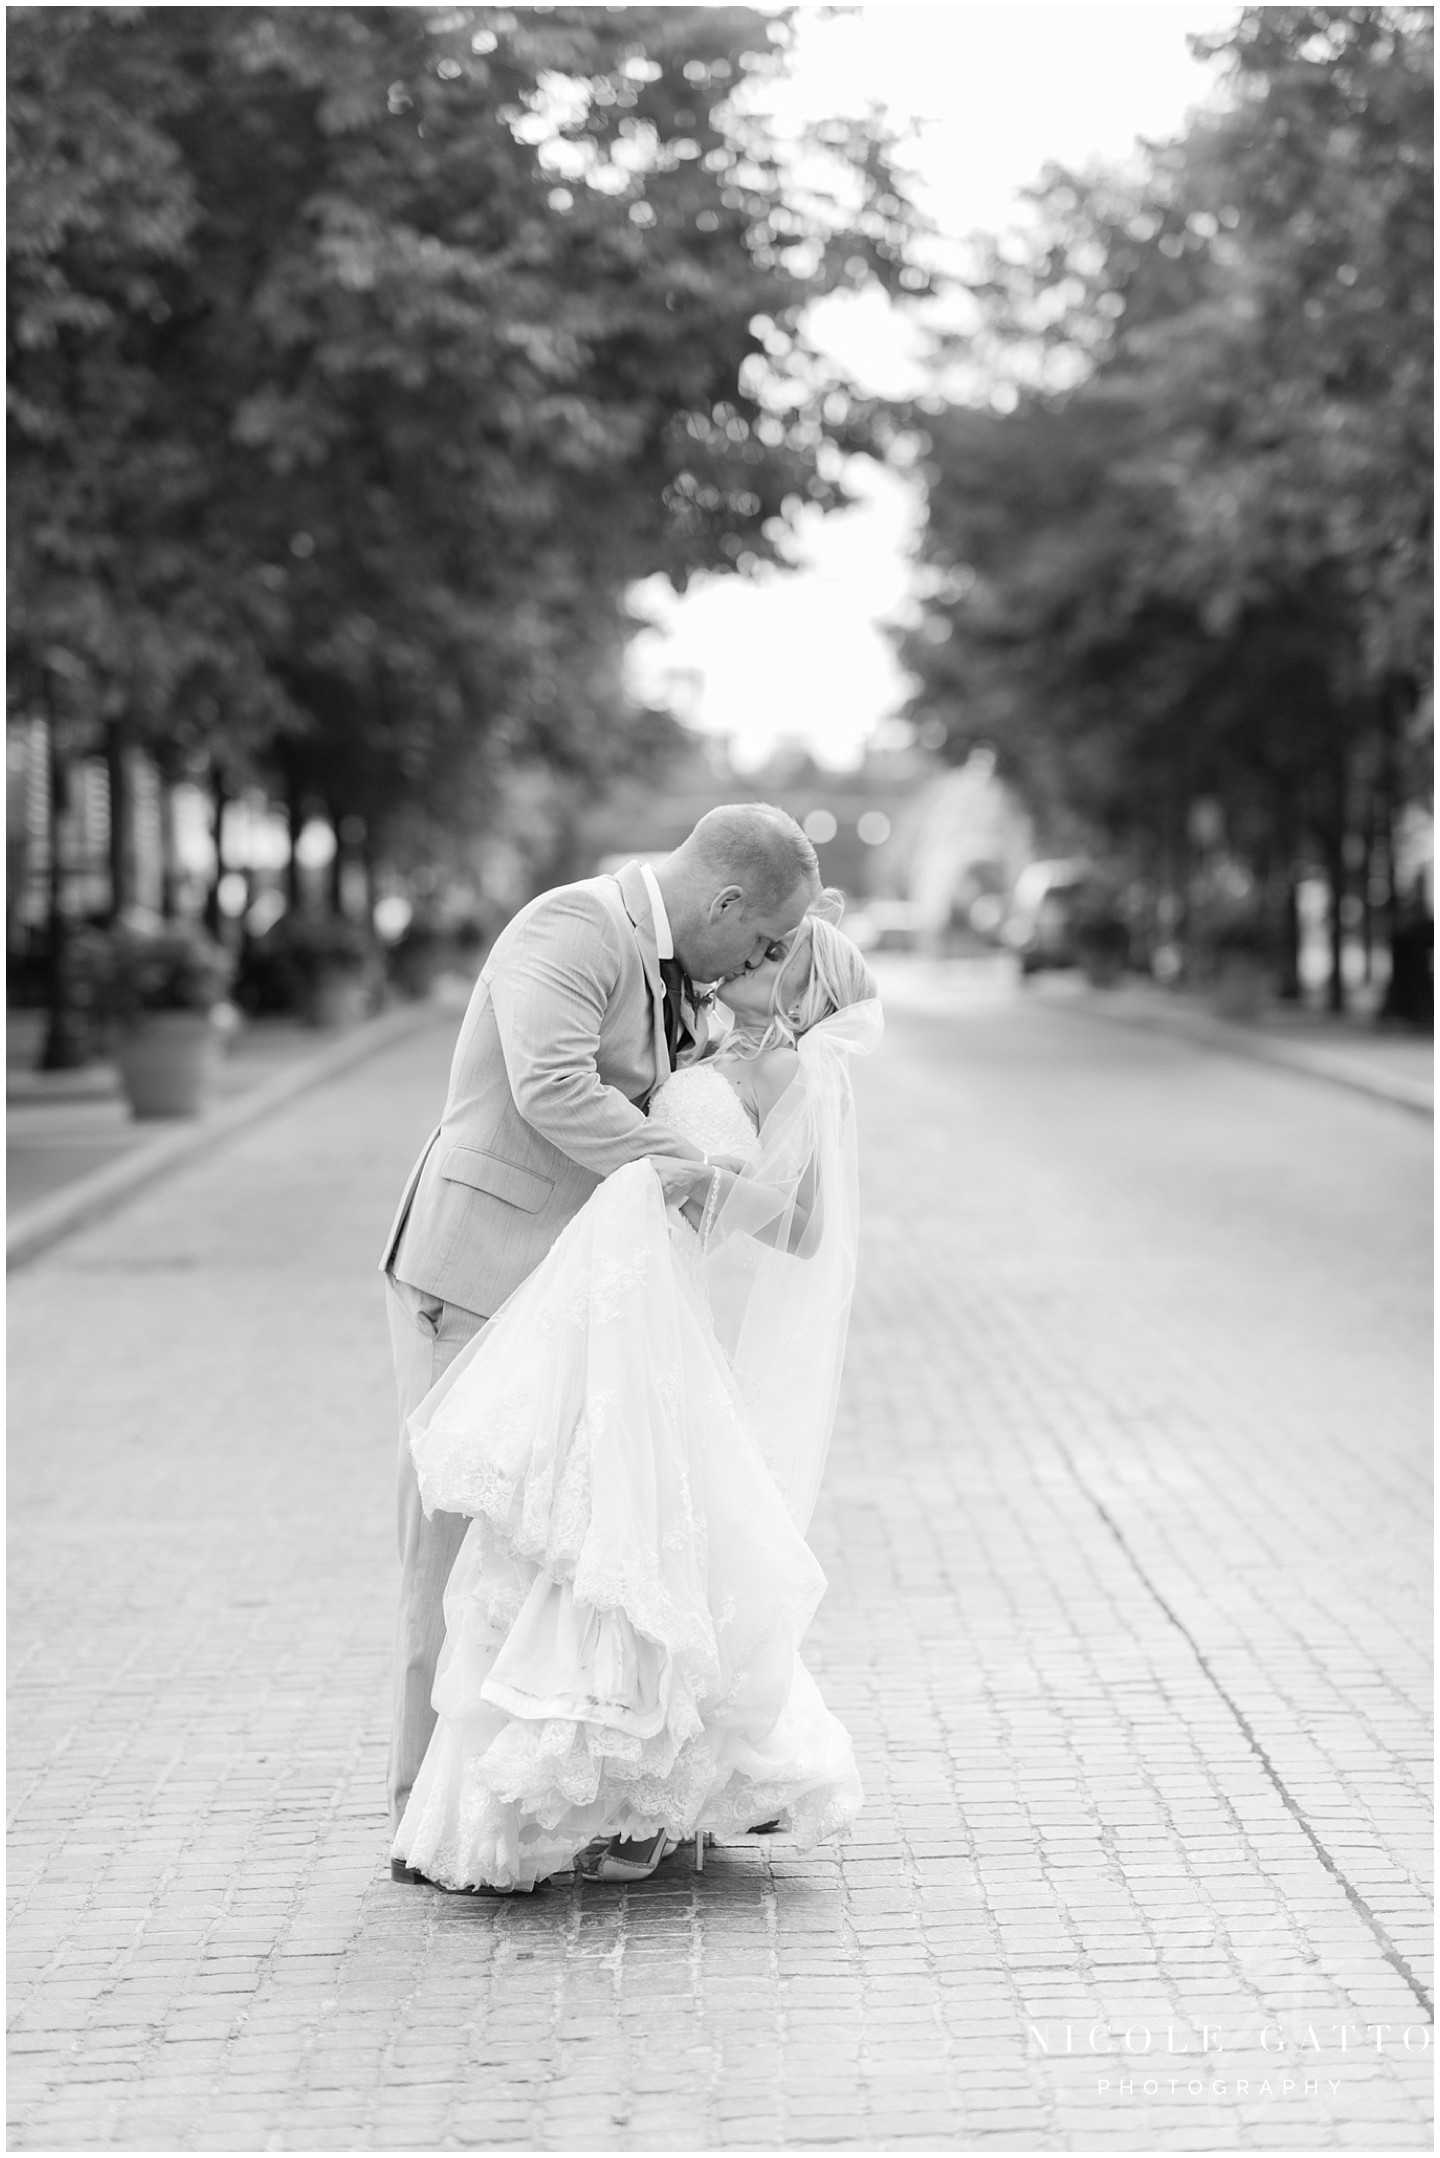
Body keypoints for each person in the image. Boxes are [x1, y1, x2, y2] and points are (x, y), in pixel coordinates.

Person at [392, 904, 882, 1892]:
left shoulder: (785, 1072)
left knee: (627, 1532)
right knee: (605, 1525)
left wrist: (691, 1184)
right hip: (618, 1292)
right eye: (764, 941)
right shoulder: (701, 1039)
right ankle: (651, 1786)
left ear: (799, 991)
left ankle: (643, 1791)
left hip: (646, 1294)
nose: (756, 957)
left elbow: (800, 1229)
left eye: (781, 956)